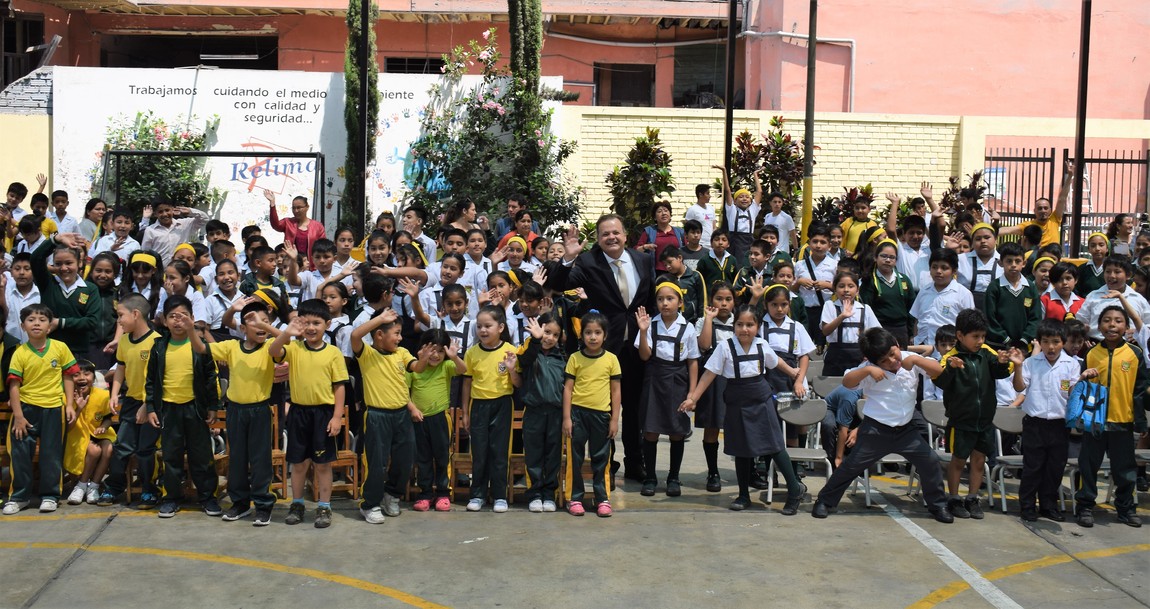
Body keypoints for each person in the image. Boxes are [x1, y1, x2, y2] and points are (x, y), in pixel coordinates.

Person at [544, 216, 655, 483]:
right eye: (605, 234)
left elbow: (649, 300)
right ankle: (607, 465)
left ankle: (635, 462)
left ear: (625, 235)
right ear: (598, 238)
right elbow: (559, 285)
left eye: (616, 232)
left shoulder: (642, 260)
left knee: (633, 408)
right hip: (604, 349)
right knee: (604, 409)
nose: (611, 237)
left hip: (636, 347)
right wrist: (568, 258)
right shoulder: (588, 261)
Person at [810, 327, 953, 523]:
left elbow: (939, 371)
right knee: (851, 466)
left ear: (897, 345)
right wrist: (868, 370)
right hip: (875, 430)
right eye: (884, 361)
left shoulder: (909, 359)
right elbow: (847, 382)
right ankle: (824, 501)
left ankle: (938, 505)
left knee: (930, 461)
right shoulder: (868, 369)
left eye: (893, 354)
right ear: (873, 361)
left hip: (906, 430)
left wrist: (917, 360)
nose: (892, 361)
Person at [680, 304, 803, 512]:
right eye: (740, 324)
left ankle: (794, 489)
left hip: (761, 401)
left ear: (758, 326)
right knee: (741, 448)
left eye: (749, 325)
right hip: (736, 402)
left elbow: (776, 362)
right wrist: (693, 398)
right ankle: (743, 495)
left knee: (775, 445)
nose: (744, 329)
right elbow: (709, 374)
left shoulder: (762, 345)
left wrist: (793, 372)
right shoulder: (725, 347)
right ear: (734, 326)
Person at [190, 299, 278, 526]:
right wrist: (191, 328)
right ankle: (240, 503)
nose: (261, 326)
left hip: (260, 410)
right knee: (237, 458)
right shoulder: (231, 346)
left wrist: (263, 325)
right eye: (255, 322)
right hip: (236, 410)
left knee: (260, 460)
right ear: (243, 328)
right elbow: (201, 348)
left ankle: (263, 504)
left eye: (265, 321)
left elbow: (285, 339)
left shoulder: (270, 347)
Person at [265, 299, 350, 528]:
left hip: (324, 415)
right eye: (307, 323)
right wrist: (287, 333)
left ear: (327, 324)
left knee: (322, 464)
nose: (311, 328)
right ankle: (297, 504)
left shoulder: (333, 353)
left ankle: (324, 507)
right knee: (299, 463)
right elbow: (273, 351)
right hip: (298, 413)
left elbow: (339, 387)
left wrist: (337, 417)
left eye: (317, 323)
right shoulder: (294, 349)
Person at [351, 308, 433, 524]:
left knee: (405, 460)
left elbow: (417, 368)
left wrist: (424, 359)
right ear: (379, 334)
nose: (400, 338)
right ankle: (369, 504)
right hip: (377, 416)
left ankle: (392, 495)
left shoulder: (402, 353)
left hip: (401, 415)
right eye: (396, 333)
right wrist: (380, 318)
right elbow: (355, 335)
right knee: (377, 463)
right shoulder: (367, 354)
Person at [932, 308, 1013, 520]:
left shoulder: (986, 352)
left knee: (979, 461)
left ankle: (972, 498)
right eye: (975, 336)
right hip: (961, 420)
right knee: (958, 461)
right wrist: (952, 369)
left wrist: (1002, 362)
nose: (980, 341)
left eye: (983, 336)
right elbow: (939, 380)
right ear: (960, 335)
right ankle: (954, 498)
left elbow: (1001, 371)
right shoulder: (950, 357)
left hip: (984, 420)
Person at [146, 296, 221, 519]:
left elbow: (211, 377)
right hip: (168, 410)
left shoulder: (200, 346)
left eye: (183, 316)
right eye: (172, 316)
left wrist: (213, 406)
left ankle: (208, 498)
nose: (178, 321)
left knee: (202, 456)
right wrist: (150, 407)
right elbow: (150, 380)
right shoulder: (159, 346)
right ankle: (171, 498)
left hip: (195, 409)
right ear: (164, 320)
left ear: (193, 318)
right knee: (171, 457)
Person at [1, 304, 79, 515]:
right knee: (19, 454)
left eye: (42, 320)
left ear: (50, 326)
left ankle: (50, 496)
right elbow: (14, 386)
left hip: (53, 408)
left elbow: (68, 376)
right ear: (22, 326)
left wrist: (69, 405)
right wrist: (18, 416)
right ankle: (19, 497)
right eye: (31, 320)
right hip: (26, 409)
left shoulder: (60, 347)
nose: (36, 323)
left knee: (51, 455)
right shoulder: (19, 352)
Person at [1076, 306, 1147, 528]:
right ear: (1099, 326)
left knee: (1124, 469)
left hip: (1122, 421)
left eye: (1118, 321)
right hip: (1094, 421)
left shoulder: (1134, 354)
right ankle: (1085, 506)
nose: (1112, 325)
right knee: (1088, 466)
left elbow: (1139, 390)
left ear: (1126, 327)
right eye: (1107, 320)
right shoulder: (1091, 354)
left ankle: (1126, 508)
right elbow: (1083, 388)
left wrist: (1140, 420)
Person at [1009, 320, 1084, 523]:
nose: (1051, 347)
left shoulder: (1071, 364)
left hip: (1059, 424)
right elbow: (1019, 387)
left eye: (1056, 342)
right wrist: (1017, 367)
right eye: (1046, 341)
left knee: (1055, 467)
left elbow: (1073, 393)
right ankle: (1027, 506)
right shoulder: (1031, 363)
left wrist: (1082, 381)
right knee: (1033, 467)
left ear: (1063, 342)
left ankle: (1048, 506)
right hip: (1035, 423)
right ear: (1039, 342)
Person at [635, 280, 699, 498]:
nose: (665, 303)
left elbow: (692, 361)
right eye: (660, 299)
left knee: (677, 431)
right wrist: (643, 332)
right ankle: (651, 477)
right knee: (650, 430)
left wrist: (692, 393)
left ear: (680, 302)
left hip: (678, 380)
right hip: (654, 378)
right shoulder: (651, 324)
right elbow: (644, 356)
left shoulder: (688, 327)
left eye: (670, 299)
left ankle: (673, 477)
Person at [562, 311, 622, 517]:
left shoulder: (612, 359)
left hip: (602, 416)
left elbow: (616, 391)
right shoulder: (575, 358)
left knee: (601, 459)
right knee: (575, 459)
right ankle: (574, 498)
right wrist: (567, 418)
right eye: (588, 332)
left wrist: (614, 419)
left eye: (597, 332)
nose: (593, 337)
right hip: (577, 415)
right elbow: (568, 389)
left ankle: (602, 498)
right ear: (582, 335)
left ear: (605, 335)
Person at [461, 305, 520, 513]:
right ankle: (477, 494)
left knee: (499, 451)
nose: (483, 330)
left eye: (488, 326)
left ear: (501, 327)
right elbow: (466, 384)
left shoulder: (510, 351)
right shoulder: (472, 353)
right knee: (479, 452)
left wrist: (512, 370)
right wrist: (465, 412)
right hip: (478, 405)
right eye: (479, 326)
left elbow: (518, 383)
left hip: (502, 404)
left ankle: (499, 495)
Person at [407, 328, 465, 512]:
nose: (436, 355)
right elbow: (403, 392)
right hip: (419, 419)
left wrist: (454, 357)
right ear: (422, 348)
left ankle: (442, 493)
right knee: (423, 458)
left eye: (441, 351)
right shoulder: (413, 368)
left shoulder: (446, 366)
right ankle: (425, 494)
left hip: (440, 418)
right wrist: (413, 409)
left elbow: (463, 369)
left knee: (442, 457)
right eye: (432, 350)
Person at [516, 315, 567, 513]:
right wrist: (536, 340)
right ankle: (535, 494)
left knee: (553, 455)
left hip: (555, 413)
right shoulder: (530, 352)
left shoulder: (562, 358)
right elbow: (524, 361)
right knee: (534, 454)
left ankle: (549, 494)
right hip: (534, 412)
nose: (550, 338)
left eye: (555, 334)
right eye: (547, 332)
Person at [31, 234, 104, 361]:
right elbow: (35, 258)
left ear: (79, 263)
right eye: (58, 264)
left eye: (69, 263)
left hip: (79, 352)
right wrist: (55, 240)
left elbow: (92, 321)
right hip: (50, 350)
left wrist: (59, 322)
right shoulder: (48, 283)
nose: (64, 268)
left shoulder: (90, 289)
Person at [695, 283, 736, 492]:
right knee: (712, 426)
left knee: (739, 426)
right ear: (711, 300)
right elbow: (703, 346)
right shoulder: (703, 321)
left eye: (728, 299)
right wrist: (709, 319)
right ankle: (713, 472)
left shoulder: (739, 322)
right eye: (719, 299)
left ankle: (748, 471)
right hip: (712, 379)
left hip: (736, 379)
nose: (724, 304)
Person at [63, 361, 114, 506]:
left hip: (99, 433)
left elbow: (108, 418)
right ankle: (81, 485)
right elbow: (67, 428)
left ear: (94, 377)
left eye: (87, 374)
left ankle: (94, 486)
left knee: (108, 448)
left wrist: (103, 427)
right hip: (76, 434)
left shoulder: (102, 395)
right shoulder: (66, 397)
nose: (82, 378)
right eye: (76, 375)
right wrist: (78, 408)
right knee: (94, 450)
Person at [997, 161, 1073, 248]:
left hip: (1053, 255)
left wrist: (1070, 176)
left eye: (1045, 208)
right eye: (1040, 208)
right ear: (1034, 211)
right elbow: (1008, 230)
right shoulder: (1029, 226)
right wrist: (988, 231)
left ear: (1050, 210)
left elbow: (1062, 199)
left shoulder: (1055, 219)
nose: (1043, 211)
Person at [909, 248, 974, 347]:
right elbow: (917, 319)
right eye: (934, 267)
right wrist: (915, 338)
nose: (938, 271)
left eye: (944, 268)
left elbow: (969, 326)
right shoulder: (924, 291)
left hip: (947, 350)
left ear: (954, 271)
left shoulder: (963, 294)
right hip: (921, 347)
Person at [1076, 255, 1150, 340]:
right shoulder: (1093, 296)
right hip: (1096, 344)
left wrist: (1138, 332)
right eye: (1108, 271)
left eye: (1117, 272)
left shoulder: (1138, 299)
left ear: (1128, 275)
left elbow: (1148, 324)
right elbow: (1080, 321)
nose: (1111, 276)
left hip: (1128, 346)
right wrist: (1083, 334)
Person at [859, 239, 917, 347]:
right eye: (884, 256)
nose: (888, 260)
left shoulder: (904, 280)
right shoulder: (869, 281)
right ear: (875, 257)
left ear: (896, 260)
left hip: (901, 330)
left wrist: (911, 332)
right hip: (879, 330)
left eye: (892, 257)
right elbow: (865, 309)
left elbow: (912, 309)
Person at [985, 242, 1042, 350]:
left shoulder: (1031, 287)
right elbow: (990, 318)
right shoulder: (994, 287)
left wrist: (1025, 339)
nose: (1013, 265)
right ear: (1000, 263)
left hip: (1024, 346)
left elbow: (1035, 318)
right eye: (1009, 261)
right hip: (998, 346)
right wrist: (1005, 339)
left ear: (1024, 263)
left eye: (1017, 261)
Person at [795, 223, 836, 347]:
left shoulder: (835, 265)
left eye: (823, 242)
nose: (818, 245)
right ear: (809, 244)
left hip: (825, 310)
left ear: (829, 246)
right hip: (804, 310)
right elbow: (791, 290)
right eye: (815, 241)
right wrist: (799, 282)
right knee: (803, 346)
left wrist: (827, 285)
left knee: (824, 345)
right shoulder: (800, 265)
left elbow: (841, 289)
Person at [139, 198, 210, 267]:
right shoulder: (150, 230)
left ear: (172, 209)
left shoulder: (184, 224)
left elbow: (205, 219)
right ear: (155, 214)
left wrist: (190, 211)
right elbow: (145, 252)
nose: (165, 214)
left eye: (167, 210)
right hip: (159, 271)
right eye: (160, 212)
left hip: (181, 270)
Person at [713, 164, 762, 265]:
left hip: (748, 241)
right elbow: (727, 191)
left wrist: (755, 175)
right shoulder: (732, 210)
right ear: (734, 201)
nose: (744, 199)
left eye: (747, 197)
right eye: (741, 197)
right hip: (734, 242)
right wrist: (724, 171)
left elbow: (759, 191)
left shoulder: (752, 210)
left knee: (747, 265)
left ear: (750, 201)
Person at [266, 190, 326, 269]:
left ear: (307, 207)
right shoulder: (288, 222)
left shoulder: (317, 226)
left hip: (311, 267)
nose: (296, 211)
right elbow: (275, 225)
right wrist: (272, 204)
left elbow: (323, 247)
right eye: (294, 208)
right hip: (291, 266)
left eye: (299, 208)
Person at [957, 223, 1001, 308]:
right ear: (972, 243)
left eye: (987, 237)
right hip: (965, 307)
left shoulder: (1003, 261)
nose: (983, 241)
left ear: (995, 240)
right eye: (978, 239)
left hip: (996, 308)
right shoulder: (961, 259)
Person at [661, 246, 706, 323]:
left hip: (692, 321)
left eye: (670, 262)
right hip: (672, 322)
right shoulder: (667, 279)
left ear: (680, 258)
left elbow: (702, 301)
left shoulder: (695, 276)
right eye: (665, 265)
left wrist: (701, 321)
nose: (668, 267)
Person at [635, 201, 684, 271]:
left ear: (670, 215)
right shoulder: (649, 231)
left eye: (666, 211)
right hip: (657, 272)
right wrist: (645, 247)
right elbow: (636, 250)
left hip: (677, 272)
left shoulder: (680, 232)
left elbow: (687, 248)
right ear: (655, 217)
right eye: (659, 211)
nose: (663, 213)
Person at [1075, 232, 1110, 297]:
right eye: (1093, 246)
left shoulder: (1112, 268)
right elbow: (1076, 291)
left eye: (1101, 245)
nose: (1097, 249)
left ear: (1107, 248)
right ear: (1088, 249)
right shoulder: (1082, 269)